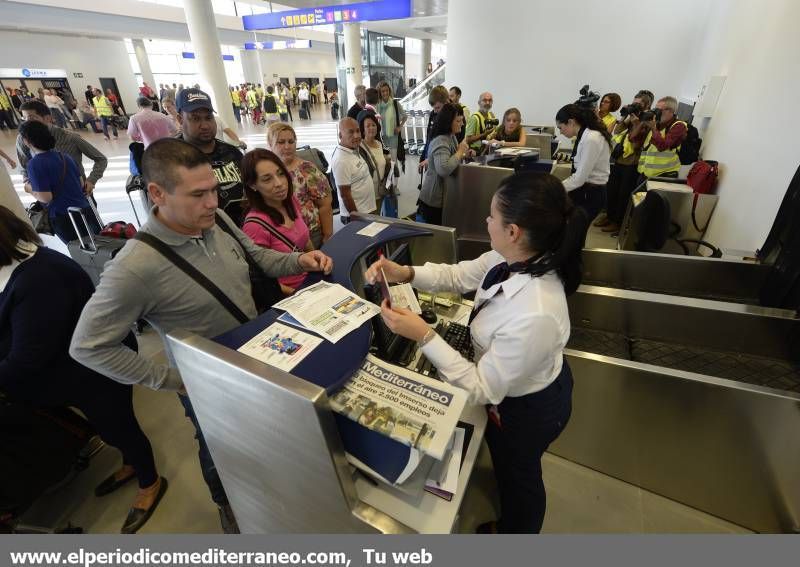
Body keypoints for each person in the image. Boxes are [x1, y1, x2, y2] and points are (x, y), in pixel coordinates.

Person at [69, 138, 333, 533]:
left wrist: (299, 259)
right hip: (207, 386)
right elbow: (88, 346)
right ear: (157, 194)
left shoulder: (219, 220)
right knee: (219, 455)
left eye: (212, 189)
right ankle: (231, 514)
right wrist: (175, 380)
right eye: (198, 194)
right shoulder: (134, 267)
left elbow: (258, 258)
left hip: (256, 357)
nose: (213, 201)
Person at [365, 171, 586, 533]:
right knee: (506, 463)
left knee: (521, 475)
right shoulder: (512, 259)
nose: (486, 221)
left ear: (513, 231)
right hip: (510, 391)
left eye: (492, 216)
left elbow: (484, 388)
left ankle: (517, 532)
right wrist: (404, 272)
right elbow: (458, 276)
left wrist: (424, 335)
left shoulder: (538, 312)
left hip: (529, 408)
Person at [0, 206, 166, 534]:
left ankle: (150, 481)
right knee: (111, 428)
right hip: (69, 373)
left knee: (119, 427)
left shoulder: (39, 278)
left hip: (94, 371)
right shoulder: (22, 268)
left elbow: (28, 358)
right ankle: (132, 464)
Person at [241, 149, 313, 296]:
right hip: (292, 296)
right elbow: (262, 279)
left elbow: (306, 243)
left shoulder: (289, 201)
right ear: (253, 185)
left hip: (311, 279)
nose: (279, 183)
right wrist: (298, 295)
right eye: (267, 179)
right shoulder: (254, 225)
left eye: (280, 174)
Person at [18, 120, 100, 243]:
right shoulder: (65, 156)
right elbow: (81, 184)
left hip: (63, 216)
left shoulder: (34, 164)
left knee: (80, 252)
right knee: (99, 247)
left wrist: (29, 188)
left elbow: (46, 198)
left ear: (26, 141)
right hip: (85, 211)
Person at [175, 88, 246, 225]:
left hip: (243, 229)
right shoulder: (173, 159)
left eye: (208, 118)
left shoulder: (232, 152)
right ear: (180, 119)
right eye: (195, 118)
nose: (205, 125)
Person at [15, 100, 108, 199]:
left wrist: (91, 180)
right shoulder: (23, 139)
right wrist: (31, 186)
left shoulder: (69, 137)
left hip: (79, 193)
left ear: (47, 118)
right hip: (49, 198)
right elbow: (24, 167)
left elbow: (101, 159)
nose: (27, 123)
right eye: (24, 118)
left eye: (31, 118)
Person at [267, 123, 333, 248]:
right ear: (270, 145)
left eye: (291, 141)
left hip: (311, 235)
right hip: (280, 237)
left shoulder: (307, 169)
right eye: (281, 142)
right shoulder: (265, 172)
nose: (287, 146)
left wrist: (327, 236)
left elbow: (325, 205)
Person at [555, 103, 613, 222]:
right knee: (575, 232)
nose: (560, 132)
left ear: (571, 122)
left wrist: (555, 189)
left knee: (575, 233)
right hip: (585, 190)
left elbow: (579, 178)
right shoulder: (585, 136)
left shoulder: (592, 138)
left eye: (560, 127)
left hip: (591, 193)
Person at [418, 103, 472, 225]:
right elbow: (444, 169)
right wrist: (460, 152)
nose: (462, 124)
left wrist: (464, 153)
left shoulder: (450, 136)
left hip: (442, 198)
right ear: (449, 122)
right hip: (433, 202)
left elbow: (452, 156)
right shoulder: (441, 141)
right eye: (458, 121)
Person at [331, 117, 376, 223]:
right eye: (350, 132)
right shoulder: (341, 160)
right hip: (358, 216)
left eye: (357, 131)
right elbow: (345, 195)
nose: (356, 136)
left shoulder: (353, 149)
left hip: (367, 210)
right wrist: (357, 218)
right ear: (340, 135)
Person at [635, 96, 688, 180]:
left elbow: (662, 146)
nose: (656, 113)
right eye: (655, 110)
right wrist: (642, 122)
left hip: (663, 175)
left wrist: (653, 128)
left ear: (670, 111)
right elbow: (633, 139)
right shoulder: (657, 124)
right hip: (644, 173)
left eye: (659, 110)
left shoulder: (678, 126)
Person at [358, 113, 394, 217]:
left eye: (373, 125)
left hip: (380, 190)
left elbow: (380, 161)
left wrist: (387, 159)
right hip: (367, 193)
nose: (371, 128)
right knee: (368, 221)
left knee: (377, 217)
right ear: (363, 129)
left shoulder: (378, 144)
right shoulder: (360, 146)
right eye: (368, 126)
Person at [418, 85, 450, 173]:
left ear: (446, 102)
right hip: (430, 157)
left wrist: (429, 159)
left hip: (442, 160)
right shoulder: (433, 114)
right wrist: (424, 156)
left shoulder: (454, 117)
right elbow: (429, 137)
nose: (435, 111)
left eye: (438, 107)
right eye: (433, 108)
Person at [376, 81, 407, 166]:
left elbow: (405, 116)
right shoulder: (378, 106)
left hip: (393, 137)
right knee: (384, 163)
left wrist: (400, 127)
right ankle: (388, 179)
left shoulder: (395, 103)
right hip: (382, 138)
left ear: (389, 91)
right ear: (380, 93)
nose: (385, 93)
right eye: (383, 91)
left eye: (387, 90)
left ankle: (395, 179)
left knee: (393, 162)